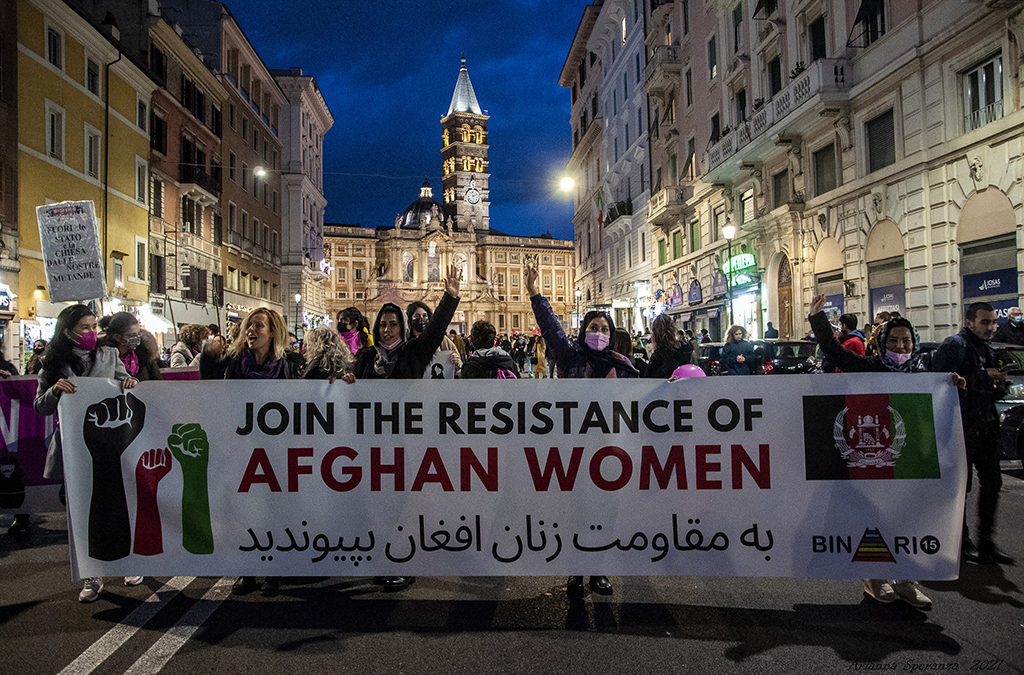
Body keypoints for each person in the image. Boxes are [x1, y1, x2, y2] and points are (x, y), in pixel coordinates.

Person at [808, 294, 965, 609]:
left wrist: (951, 385)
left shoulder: (923, 375)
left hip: (907, 460)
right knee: (873, 517)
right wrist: (817, 317)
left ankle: (906, 580)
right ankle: (875, 577)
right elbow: (833, 351)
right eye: (893, 341)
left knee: (906, 518)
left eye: (906, 341)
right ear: (882, 343)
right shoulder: (867, 367)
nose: (901, 347)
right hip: (871, 460)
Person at [527, 266, 636, 598]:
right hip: (573, 450)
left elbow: (647, 398)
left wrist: (671, 388)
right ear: (584, 331)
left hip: (609, 450)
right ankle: (576, 571)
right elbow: (551, 328)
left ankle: (600, 572)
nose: (598, 332)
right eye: (593, 327)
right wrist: (534, 294)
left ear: (612, 333)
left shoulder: (624, 367)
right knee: (575, 511)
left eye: (604, 328)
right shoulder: (569, 356)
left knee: (605, 511)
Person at [353, 265, 461, 591]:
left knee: (399, 502)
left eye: (393, 324)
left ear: (401, 326)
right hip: (373, 441)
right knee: (378, 502)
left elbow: (433, 332)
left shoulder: (413, 354)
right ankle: (387, 557)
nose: (387, 329)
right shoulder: (364, 357)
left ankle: (401, 561)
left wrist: (450, 297)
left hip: (404, 441)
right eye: (383, 324)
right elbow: (353, 393)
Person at [33, 304, 141, 602]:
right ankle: (92, 575)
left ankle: (129, 562)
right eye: (85, 328)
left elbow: (126, 384)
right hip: (75, 448)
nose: (92, 332)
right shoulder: (52, 364)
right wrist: (55, 390)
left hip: (111, 445)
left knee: (120, 503)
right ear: (68, 332)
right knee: (82, 513)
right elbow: (40, 406)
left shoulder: (109, 355)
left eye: (94, 326)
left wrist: (129, 383)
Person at [200, 307, 301, 596]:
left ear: (273, 332)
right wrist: (208, 357)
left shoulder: (290, 364)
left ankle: (274, 572)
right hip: (241, 448)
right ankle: (247, 570)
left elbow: (312, 394)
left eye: (258, 326)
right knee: (243, 510)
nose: (251, 331)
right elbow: (208, 385)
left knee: (274, 511)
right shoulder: (232, 362)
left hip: (278, 451)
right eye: (249, 326)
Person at [931, 302, 1015, 566]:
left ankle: (987, 542)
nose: (991, 327)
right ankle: (960, 540)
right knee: (961, 487)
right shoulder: (954, 346)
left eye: (993, 322)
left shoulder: (988, 349)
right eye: (985, 322)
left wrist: (999, 384)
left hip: (987, 425)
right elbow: (940, 382)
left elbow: (989, 388)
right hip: (961, 426)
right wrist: (981, 376)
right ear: (969, 322)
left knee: (992, 483)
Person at [99, 312, 163, 383]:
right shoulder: (105, 357)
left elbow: (158, 383)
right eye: (132, 335)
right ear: (117, 337)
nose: (137, 338)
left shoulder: (144, 354)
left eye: (138, 334)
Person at [407, 301, 461, 378]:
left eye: (425, 316)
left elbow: (458, 369)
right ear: (410, 319)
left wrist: (456, 362)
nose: (421, 319)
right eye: (417, 316)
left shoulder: (443, 340)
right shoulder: (405, 342)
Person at [646, 314, 694, 380]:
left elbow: (650, 380)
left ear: (655, 334)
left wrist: (655, 348)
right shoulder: (686, 349)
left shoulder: (659, 356)